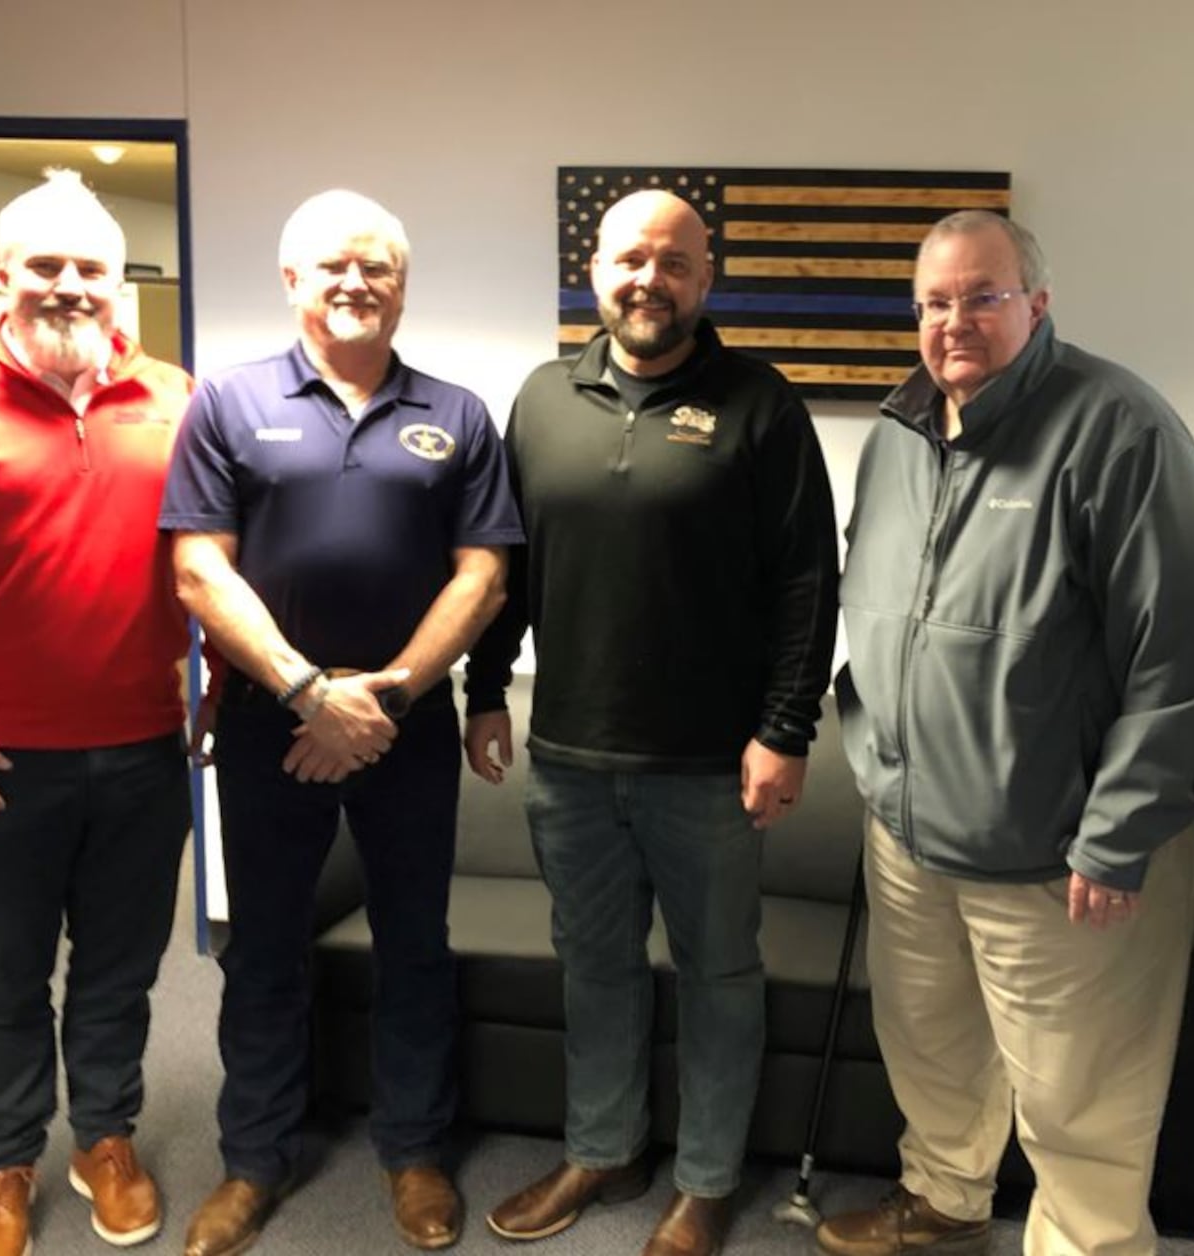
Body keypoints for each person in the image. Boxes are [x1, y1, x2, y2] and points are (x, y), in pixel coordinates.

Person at [819, 210, 1194, 1256]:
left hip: (1060, 854)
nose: (954, 320)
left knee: (1081, 1100)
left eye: (982, 295)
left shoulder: (1120, 429)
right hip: (913, 832)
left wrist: (1119, 829)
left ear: (1036, 303)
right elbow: (881, 604)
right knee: (931, 1050)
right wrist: (869, 746)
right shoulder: (900, 435)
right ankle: (943, 1196)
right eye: (934, 301)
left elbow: (1180, 654)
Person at [466, 188, 838, 1256]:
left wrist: (786, 729)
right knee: (594, 962)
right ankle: (603, 1147)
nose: (651, 280)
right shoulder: (542, 400)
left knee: (720, 971)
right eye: (632, 258)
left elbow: (807, 582)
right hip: (569, 760)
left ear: (705, 276)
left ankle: (708, 1177)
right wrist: (486, 689)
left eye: (674, 263)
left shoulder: (760, 404)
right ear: (596, 266)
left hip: (709, 766)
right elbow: (510, 566)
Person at [162, 189, 522, 1256]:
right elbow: (196, 567)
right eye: (333, 266)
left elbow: (487, 575)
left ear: (402, 285)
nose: (356, 282)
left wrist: (391, 695)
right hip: (274, 727)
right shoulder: (227, 402)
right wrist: (308, 691)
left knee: (415, 942)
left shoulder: (456, 412)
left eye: (378, 267)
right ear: (291, 281)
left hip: (406, 730)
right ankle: (253, 1159)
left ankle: (413, 1150)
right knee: (262, 945)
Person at [0, 173, 194, 1256]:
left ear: (116, 280)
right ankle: (4, 1158)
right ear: (3, 275)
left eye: (90, 267)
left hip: (145, 749)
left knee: (120, 968)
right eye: (44, 265)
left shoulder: (179, 398)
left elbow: (213, 567)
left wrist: (221, 692)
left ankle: (105, 1136)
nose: (69, 286)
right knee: (3, 975)